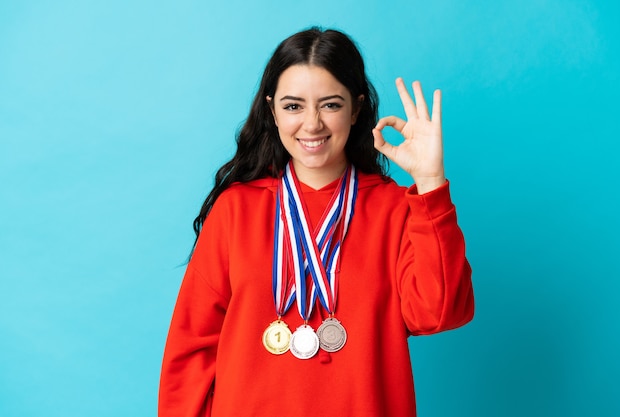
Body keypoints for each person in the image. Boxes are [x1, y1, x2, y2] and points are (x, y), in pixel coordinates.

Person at [158, 27, 474, 417]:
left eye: (330, 105)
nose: (312, 125)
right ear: (272, 110)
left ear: (356, 109)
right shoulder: (235, 211)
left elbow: (440, 312)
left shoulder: (395, 208)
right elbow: (190, 351)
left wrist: (429, 183)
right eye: (293, 106)